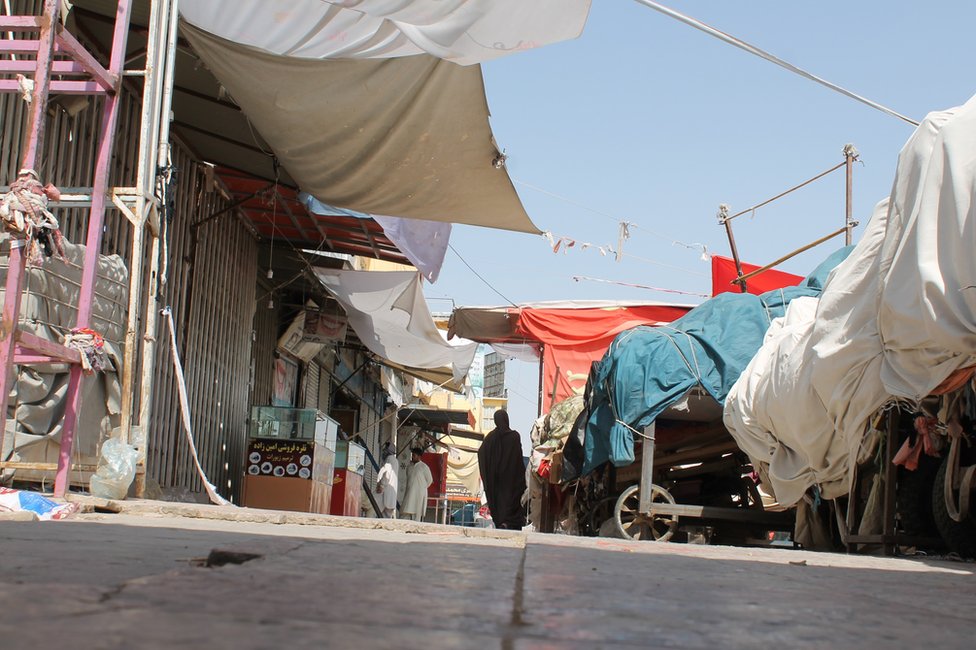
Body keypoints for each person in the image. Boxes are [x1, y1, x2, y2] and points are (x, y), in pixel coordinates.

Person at [478, 409, 527, 530]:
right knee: (513, 501)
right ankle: (509, 522)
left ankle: (501, 522)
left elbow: (481, 453)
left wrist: (490, 472)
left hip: (497, 481)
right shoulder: (515, 436)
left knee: (499, 502)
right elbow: (518, 459)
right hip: (512, 480)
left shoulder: (490, 438)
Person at [400, 447, 432, 521]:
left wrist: (421, 488)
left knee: (417, 514)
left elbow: (429, 480)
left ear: (419, 457)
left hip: (419, 494)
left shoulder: (424, 467)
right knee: (406, 511)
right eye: (412, 455)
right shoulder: (409, 466)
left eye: (414, 455)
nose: (412, 457)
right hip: (409, 492)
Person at [375, 448, 398, 518]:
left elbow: (386, 474)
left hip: (386, 493)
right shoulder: (395, 460)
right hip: (391, 495)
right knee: (387, 517)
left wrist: (381, 485)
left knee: (378, 514)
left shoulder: (389, 459)